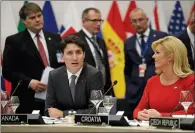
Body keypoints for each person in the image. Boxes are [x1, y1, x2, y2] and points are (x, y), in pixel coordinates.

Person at [2, 3, 62, 115]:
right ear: (24, 21)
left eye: (39, 16)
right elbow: (7, 71)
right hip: (27, 100)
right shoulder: (14, 41)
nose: (38, 20)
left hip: (53, 99)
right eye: (32, 18)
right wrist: (29, 82)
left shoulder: (55, 38)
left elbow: (61, 64)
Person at [133, 36, 194, 121]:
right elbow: (137, 110)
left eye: (157, 53)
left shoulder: (190, 81)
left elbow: (191, 111)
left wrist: (161, 116)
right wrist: (140, 115)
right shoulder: (152, 81)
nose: (153, 56)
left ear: (170, 57)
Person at [45, 34, 104, 118]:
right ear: (62, 56)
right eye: (69, 53)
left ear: (84, 55)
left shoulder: (94, 75)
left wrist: (64, 114)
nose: (75, 57)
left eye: (78, 52)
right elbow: (49, 109)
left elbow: (96, 110)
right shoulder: (54, 75)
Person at [124, 8, 168, 118]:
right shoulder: (128, 42)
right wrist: (130, 87)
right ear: (131, 23)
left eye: (140, 20)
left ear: (147, 20)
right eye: (134, 21)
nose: (138, 24)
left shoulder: (161, 37)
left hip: (156, 88)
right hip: (135, 93)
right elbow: (127, 69)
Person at [75, 8, 112, 95]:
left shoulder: (101, 41)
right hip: (85, 93)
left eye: (100, 20)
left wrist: (110, 91)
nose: (98, 24)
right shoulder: (75, 40)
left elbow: (105, 67)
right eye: (95, 20)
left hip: (104, 92)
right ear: (84, 21)